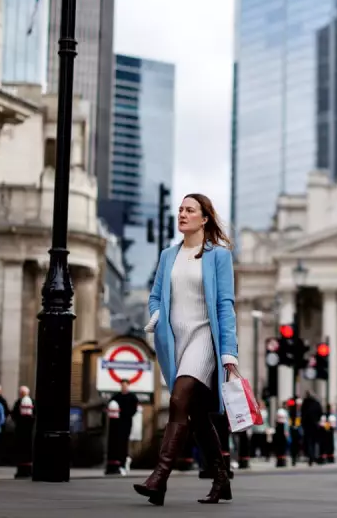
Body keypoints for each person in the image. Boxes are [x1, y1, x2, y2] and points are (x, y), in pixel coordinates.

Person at [133, 194, 240, 506]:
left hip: (204, 336)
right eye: (180, 209)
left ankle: (159, 477)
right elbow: (155, 295)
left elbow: (225, 305)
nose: (182, 214)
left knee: (179, 398)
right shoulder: (169, 255)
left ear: (204, 218)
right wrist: (155, 315)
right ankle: (221, 480)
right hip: (175, 340)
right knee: (195, 413)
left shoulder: (218, 256)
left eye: (189, 210)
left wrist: (229, 351)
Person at [110, 379, 139, 472]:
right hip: (117, 423)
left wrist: (126, 414)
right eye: (122, 385)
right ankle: (118, 461)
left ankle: (124, 461)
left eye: (125, 385)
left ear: (128, 386)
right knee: (117, 442)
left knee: (124, 442)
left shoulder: (132, 397)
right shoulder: (116, 397)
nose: (124, 387)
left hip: (126, 422)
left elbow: (134, 410)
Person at [300, 391, 323, 465]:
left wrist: (303, 423)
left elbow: (302, 414)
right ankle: (315, 456)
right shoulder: (316, 403)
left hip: (307, 425)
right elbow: (320, 413)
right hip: (315, 425)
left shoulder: (305, 403)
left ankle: (311, 457)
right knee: (315, 442)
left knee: (309, 442)